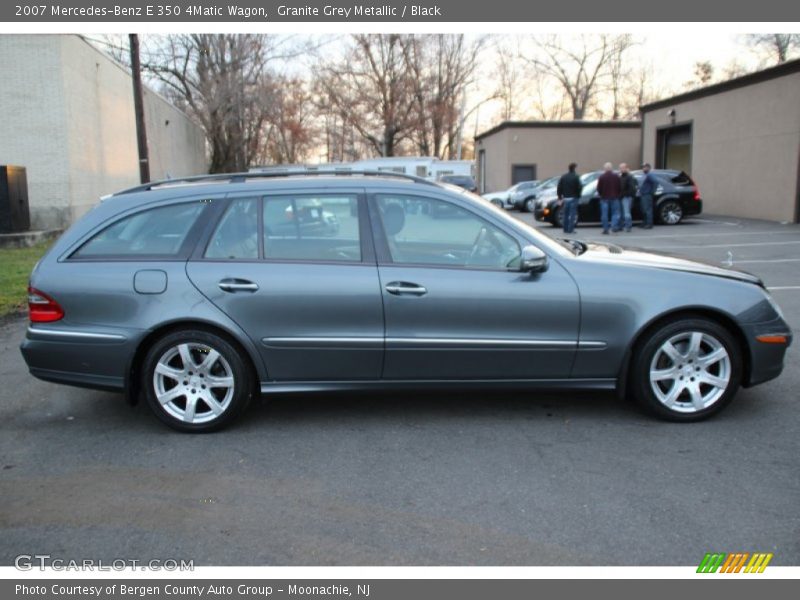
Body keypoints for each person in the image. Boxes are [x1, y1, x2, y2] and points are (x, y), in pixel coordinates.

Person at [556, 162, 582, 234]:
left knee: (565, 214)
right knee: (572, 214)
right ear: (574, 169)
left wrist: (559, 196)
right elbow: (579, 187)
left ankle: (565, 229)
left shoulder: (564, 177)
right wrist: (578, 195)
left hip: (566, 197)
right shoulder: (576, 177)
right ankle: (571, 229)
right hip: (573, 197)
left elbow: (559, 187)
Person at [596, 162, 621, 234]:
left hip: (604, 198)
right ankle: (613, 226)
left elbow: (599, 188)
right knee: (615, 213)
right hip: (615, 197)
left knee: (604, 214)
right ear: (611, 168)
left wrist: (601, 194)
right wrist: (617, 193)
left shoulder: (602, 177)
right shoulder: (616, 176)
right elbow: (619, 187)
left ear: (605, 168)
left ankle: (605, 229)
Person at [618, 162, 637, 233]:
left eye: (623, 168)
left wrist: (626, 194)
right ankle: (621, 226)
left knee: (626, 213)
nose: (621, 169)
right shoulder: (620, 177)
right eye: (620, 168)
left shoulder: (629, 177)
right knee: (621, 213)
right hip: (620, 197)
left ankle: (628, 226)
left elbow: (632, 189)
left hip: (626, 197)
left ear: (626, 168)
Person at [639, 163, 657, 229]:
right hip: (643, 194)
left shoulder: (650, 174)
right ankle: (645, 223)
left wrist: (652, 191)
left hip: (647, 195)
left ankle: (649, 224)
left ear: (648, 168)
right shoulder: (645, 175)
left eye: (645, 167)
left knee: (647, 210)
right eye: (643, 167)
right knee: (643, 209)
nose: (643, 168)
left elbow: (656, 182)